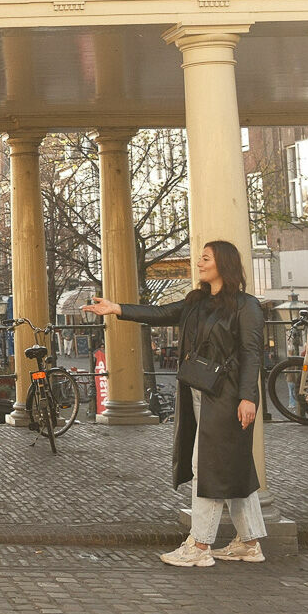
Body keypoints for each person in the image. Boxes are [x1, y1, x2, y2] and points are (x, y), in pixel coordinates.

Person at [82, 239, 266, 567]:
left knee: (205, 466)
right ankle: (249, 543)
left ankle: (199, 546)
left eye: (206, 258)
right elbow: (161, 313)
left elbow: (253, 354)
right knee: (233, 465)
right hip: (198, 391)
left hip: (226, 396)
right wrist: (117, 309)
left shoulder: (246, 305)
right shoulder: (196, 302)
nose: (199, 262)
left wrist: (248, 397)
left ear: (222, 263)